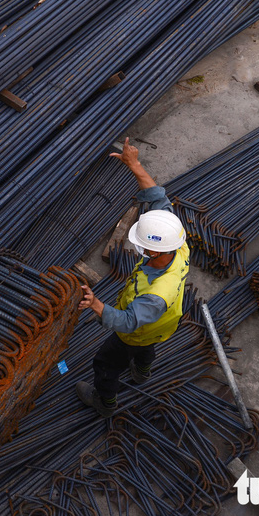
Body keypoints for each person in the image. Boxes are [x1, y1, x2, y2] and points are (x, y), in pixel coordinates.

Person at [75, 138, 190, 417]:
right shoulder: (176, 242)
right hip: (163, 325)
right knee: (147, 348)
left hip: (138, 330)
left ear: (152, 249)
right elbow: (157, 198)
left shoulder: (156, 294)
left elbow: (127, 322)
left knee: (105, 363)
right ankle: (142, 371)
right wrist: (134, 164)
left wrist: (96, 305)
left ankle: (105, 403)